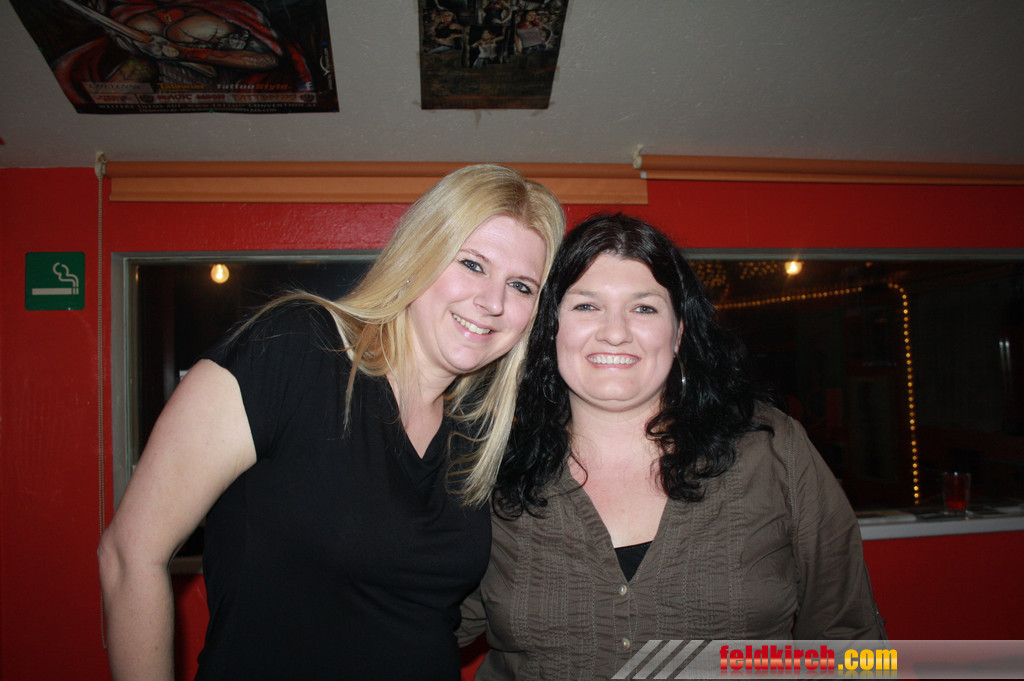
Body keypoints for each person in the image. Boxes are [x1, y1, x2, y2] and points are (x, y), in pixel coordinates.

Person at [98, 164, 565, 681]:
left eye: (521, 286)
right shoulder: (296, 348)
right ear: (419, 254)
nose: (493, 302)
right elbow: (129, 555)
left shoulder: (479, 434)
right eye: (473, 264)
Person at [459, 214, 886, 680]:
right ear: (551, 328)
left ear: (679, 332)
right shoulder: (490, 467)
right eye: (586, 306)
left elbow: (849, 635)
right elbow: (426, 621)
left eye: (644, 309)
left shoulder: (773, 449)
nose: (615, 332)